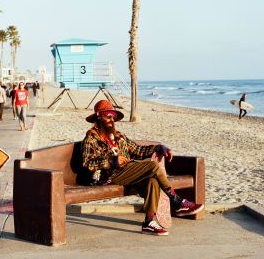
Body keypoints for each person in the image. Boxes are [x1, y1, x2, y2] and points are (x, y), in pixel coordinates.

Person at [82, 100, 204, 236]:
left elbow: (138, 150)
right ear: (99, 117)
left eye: (113, 117)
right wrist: (111, 161)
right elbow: (87, 162)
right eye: (108, 116)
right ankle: (176, 200)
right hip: (108, 176)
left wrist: (158, 147)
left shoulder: (119, 136)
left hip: (127, 171)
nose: (112, 120)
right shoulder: (91, 137)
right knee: (153, 166)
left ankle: (149, 222)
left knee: (152, 182)